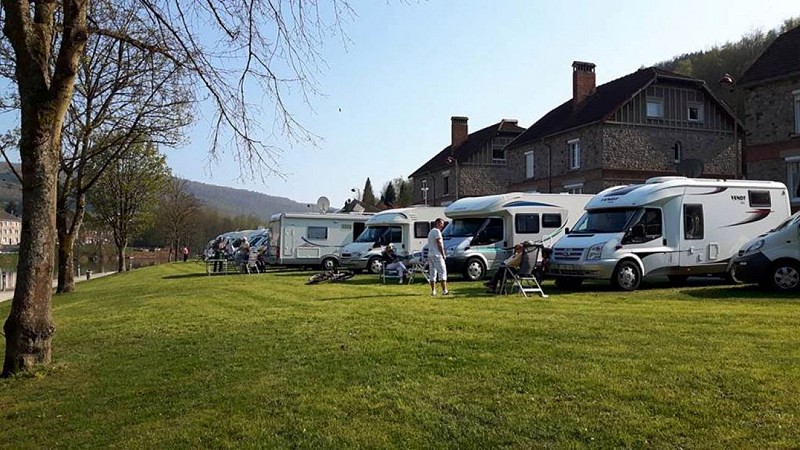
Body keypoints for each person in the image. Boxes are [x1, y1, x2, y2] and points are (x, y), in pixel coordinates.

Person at [427, 218, 449, 296]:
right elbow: (439, 243)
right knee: (442, 271)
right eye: (441, 223)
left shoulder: (430, 232)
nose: (442, 226)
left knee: (432, 272)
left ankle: (433, 291)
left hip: (430, 254)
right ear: (437, 223)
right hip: (437, 255)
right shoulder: (437, 231)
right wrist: (443, 254)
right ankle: (444, 290)